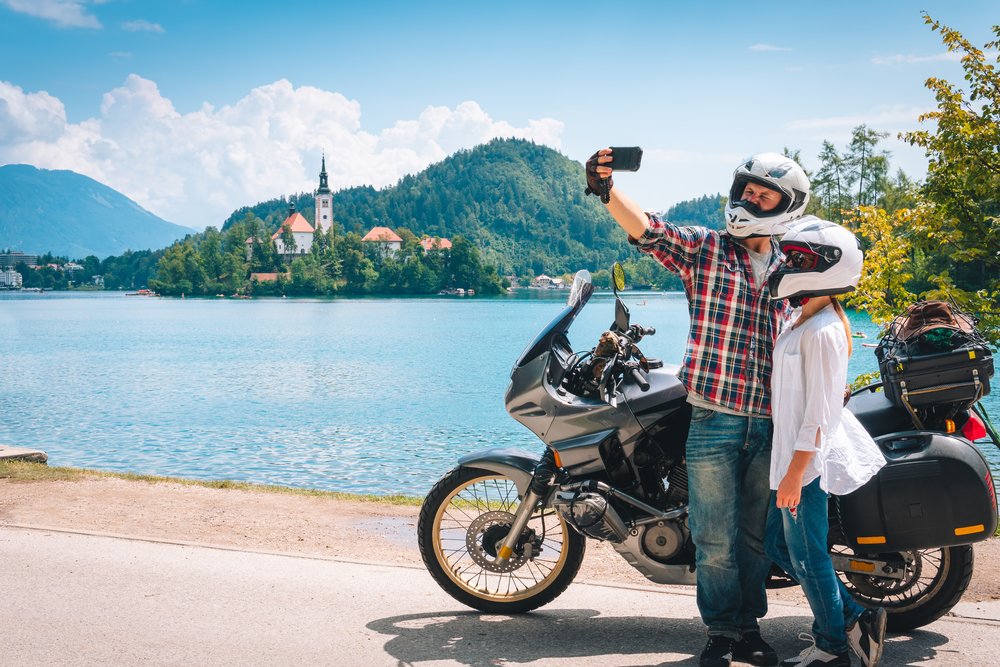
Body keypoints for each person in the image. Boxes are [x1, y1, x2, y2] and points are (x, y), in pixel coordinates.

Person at [586, 149, 811, 667]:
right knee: (713, 536)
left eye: (763, 194)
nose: (749, 200)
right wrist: (606, 188)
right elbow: (649, 229)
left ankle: (749, 629)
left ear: (787, 205)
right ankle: (721, 633)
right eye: (746, 190)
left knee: (755, 537)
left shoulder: (795, 265)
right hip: (712, 416)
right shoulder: (707, 250)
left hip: (772, 421)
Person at [765, 219, 887, 667]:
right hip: (789, 459)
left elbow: (818, 414)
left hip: (805, 464)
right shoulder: (804, 317)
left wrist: (795, 475)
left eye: (797, 259)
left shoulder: (825, 332)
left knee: (810, 556)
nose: (787, 265)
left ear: (826, 267)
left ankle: (833, 647)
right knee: (780, 547)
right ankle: (857, 617)